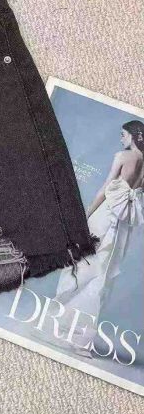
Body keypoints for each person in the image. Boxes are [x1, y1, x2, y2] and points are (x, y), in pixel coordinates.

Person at [50, 121, 144, 357]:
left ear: (134, 136)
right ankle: (80, 337)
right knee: (103, 277)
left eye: (123, 135)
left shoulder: (122, 156)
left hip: (106, 215)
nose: (121, 139)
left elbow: (105, 189)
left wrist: (87, 214)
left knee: (84, 266)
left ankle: (65, 329)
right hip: (124, 224)